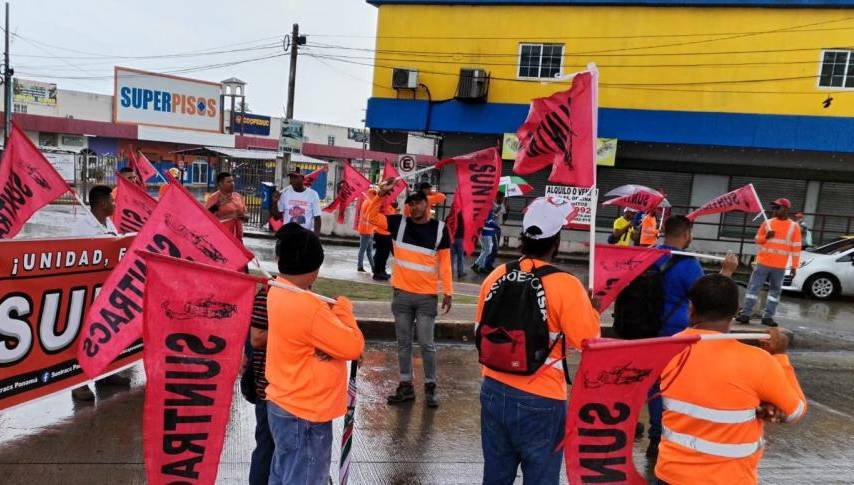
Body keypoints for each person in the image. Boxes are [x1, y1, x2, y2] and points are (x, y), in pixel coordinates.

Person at [476, 196, 600, 485]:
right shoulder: (567, 285)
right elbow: (589, 341)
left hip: (493, 388)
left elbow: (479, 332)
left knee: (495, 475)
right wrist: (592, 310)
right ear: (555, 241)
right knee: (541, 477)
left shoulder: (496, 275)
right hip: (542, 397)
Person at [655, 274, 806, 485]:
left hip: (671, 475)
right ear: (736, 310)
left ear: (691, 309)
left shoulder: (668, 349)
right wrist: (780, 355)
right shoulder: (758, 361)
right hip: (731, 478)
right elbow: (795, 411)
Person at [265, 223, 365, 485]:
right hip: (305, 412)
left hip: (284, 402)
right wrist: (343, 309)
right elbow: (354, 346)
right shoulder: (309, 308)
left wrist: (327, 348)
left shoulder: (278, 290)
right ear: (314, 269)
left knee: (285, 474)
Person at [645, 215, 739, 463]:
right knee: (669, 388)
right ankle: (661, 438)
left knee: (651, 386)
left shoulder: (646, 256)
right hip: (675, 335)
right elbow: (710, 301)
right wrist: (726, 272)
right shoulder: (688, 264)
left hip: (644, 331)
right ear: (686, 235)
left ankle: (652, 435)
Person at [367, 185, 453, 408]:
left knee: (426, 343)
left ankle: (430, 386)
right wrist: (381, 195)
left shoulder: (440, 229)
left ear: (428, 204)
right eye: (411, 203)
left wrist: (449, 291)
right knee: (403, 344)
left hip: (427, 298)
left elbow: (445, 264)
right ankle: (406, 386)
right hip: (402, 296)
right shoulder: (398, 223)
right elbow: (371, 217)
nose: (414, 207)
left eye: (418, 202)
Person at [71, 185, 128, 401]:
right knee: (83, 337)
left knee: (105, 333)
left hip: (105, 291)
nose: (115, 205)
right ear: (102, 203)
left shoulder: (108, 223)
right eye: (112, 201)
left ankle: (106, 375)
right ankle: (78, 383)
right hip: (86, 293)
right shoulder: (82, 227)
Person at [735, 198, 801, 327]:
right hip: (763, 263)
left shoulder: (794, 227)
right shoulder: (767, 223)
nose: (774, 210)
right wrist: (766, 237)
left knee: (774, 292)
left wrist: (794, 266)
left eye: (778, 208)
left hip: (780, 266)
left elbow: (796, 248)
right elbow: (757, 239)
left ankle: (768, 317)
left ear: (786, 209)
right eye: (774, 208)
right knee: (753, 288)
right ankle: (745, 314)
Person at [247, 288, 273, 485]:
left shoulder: (306, 293)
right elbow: (256, 338)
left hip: (295, 390)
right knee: (267, 447)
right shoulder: (268, 293)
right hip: (269, 390)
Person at [205, 171, 248, 239]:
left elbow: (246, 218)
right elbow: (206, 216)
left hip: (237, 239)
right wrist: (217, 205)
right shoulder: (213, 198)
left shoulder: (238, 196)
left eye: (232, 181)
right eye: (229, 182)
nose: (232, 184)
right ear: (220, 184)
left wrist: (242, 216)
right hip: (221, 238)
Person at [277, 169, 322, 234]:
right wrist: (274, 202)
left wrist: (316, 238)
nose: (291, 181)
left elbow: (317, 218)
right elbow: (278, 216)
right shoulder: (285, 194)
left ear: (302, 178)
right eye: (291, 178)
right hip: (287, 234)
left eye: (295, 177)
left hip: (304, 235)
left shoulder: (313, 194)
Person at [483, 192, 508, 271]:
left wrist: (507, 211)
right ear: (496, 197)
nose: (502, 199)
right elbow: (489, 217)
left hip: (498, 229)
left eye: (503, 197)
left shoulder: (503, 205)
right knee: (492, 248)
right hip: (491, 229)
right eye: (500, 197)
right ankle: (484, 265)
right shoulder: (492, 205)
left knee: (495, 249)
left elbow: (504, 219)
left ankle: (489, 264)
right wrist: (497, 210)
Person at [357, 189, 377, 272]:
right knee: (364, 250)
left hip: (367, 230)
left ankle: (373, 267)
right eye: (375, 194)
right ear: (372, 194)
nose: (376, 196)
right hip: (367, 230)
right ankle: (360, 266)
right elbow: (370, 217)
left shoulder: (366, 202)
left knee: (368, 250)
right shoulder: (370, 203)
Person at [450, 211, 466, 279]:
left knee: (451, 257)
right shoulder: (464, 216)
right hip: (460, 239)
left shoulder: (450, 216)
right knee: (460, 257)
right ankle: (460, 272)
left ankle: (450, 273)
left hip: (451, 239)